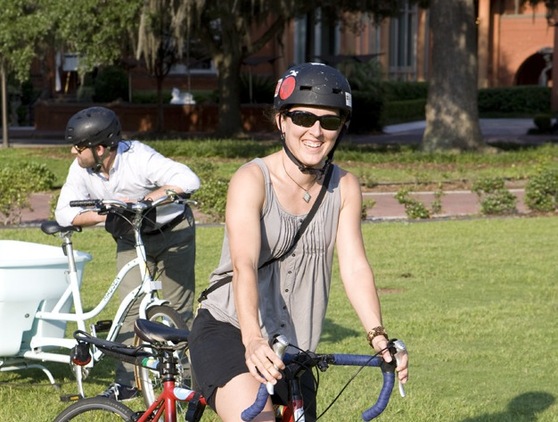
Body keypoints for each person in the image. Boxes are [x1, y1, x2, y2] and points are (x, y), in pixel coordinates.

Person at [189, 62, 409, 420]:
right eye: (304, 118)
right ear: (281, 121)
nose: (316, 131)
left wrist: (378, 337)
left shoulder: (345, 187)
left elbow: (354, 267)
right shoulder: (252, 179)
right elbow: (244, 265)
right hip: (231, 330)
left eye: (330, 121)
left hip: (294, 346)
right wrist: (252, 340)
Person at [55, 106, 200, 401]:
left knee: (177, 309)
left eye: (78, 146)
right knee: (130, 310)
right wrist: (107, 214)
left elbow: (189, 180)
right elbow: (63, 214)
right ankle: (128, 383)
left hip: (174, 231)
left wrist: (145, 201)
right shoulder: (81, 169)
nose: (72, 152)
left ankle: (184, 380)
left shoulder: (139, 158)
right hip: (131, 234)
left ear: (100, 148)